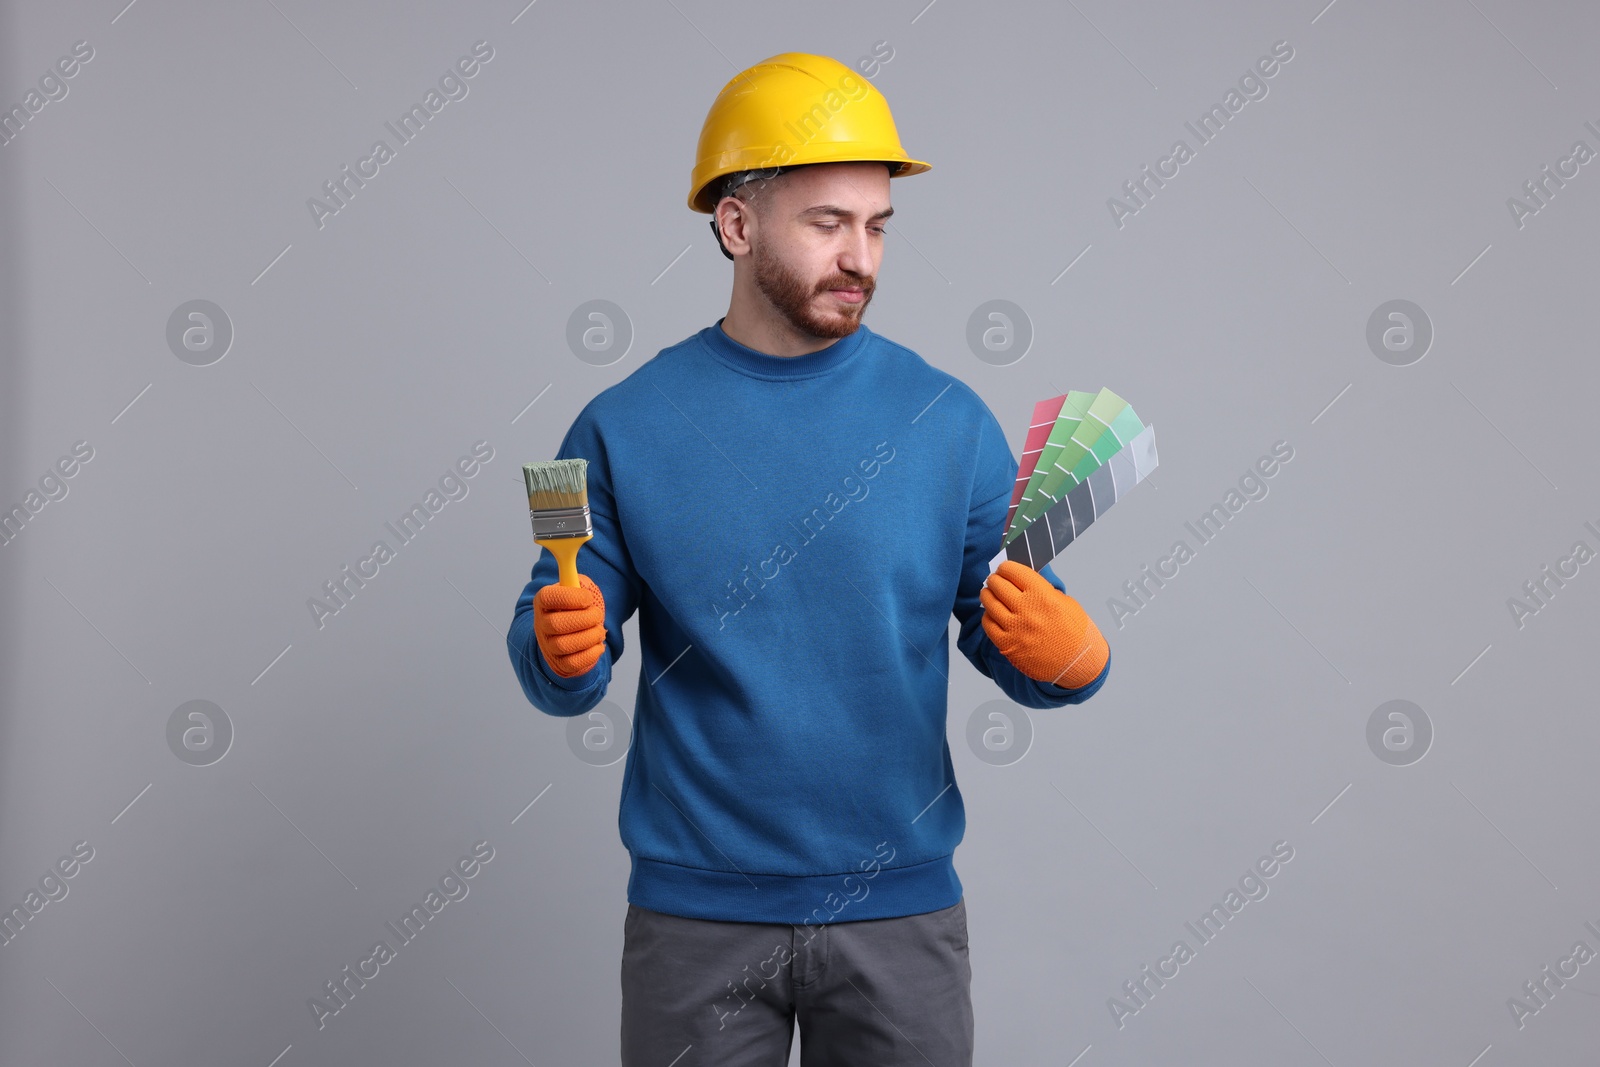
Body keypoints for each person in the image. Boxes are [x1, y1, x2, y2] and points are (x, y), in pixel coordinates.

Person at [506, 51, 1111, 1067]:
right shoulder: (620, 426)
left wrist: (1072, 657)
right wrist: (556, 650)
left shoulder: (947, 419)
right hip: (695, 916)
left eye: (876, 226)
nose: (860, 257)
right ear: (736, 225)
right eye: (827, 223)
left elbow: (1011, 633)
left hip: (900, 914)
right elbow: (557, 648)